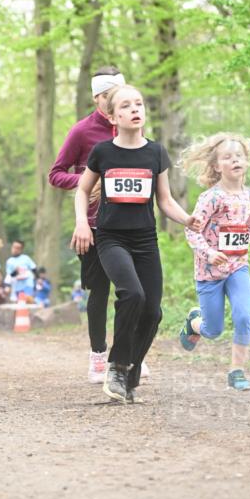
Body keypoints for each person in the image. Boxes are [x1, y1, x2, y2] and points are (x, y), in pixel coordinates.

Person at [72, 85, 200, 403]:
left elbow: (165, 200)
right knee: (133, 294)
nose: (135, 109)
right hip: (111, 237)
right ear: (113, 116)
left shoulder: (155, 153)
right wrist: (81, 224)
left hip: (145, 239)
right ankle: (115, 366)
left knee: (153, 312)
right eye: (126, 105)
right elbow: (81, 190)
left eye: (139, 104)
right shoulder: (103, 152)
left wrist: (187, 219)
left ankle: (131, 373)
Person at [50, 66, 151, 384]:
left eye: (121, 96)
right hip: (93, 225)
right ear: (97, 98)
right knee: (100, 291)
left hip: (131, 223)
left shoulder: (132, 127)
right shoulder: (82, 132)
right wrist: (84, 181)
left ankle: (129, 353)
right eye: (109, 97)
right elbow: (56, 173)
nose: (116, 102)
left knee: (134, 290)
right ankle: (97, 356)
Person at [178, 133, 250, 390]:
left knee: (244, 316)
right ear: (216, 166)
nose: (235, 160)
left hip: (238, 268)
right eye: (228, 157)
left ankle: (237, 371)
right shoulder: (210, 198)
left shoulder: (249, 197)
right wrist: (209, 253)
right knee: (213, 331)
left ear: (246, 162)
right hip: (209, 272)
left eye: (239, 156)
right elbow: (191, 230)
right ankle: (194, 321)